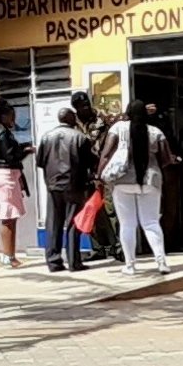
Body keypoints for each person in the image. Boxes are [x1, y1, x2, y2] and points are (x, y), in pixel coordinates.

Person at [97, 99, 173, 278]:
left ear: (128, 113)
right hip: (150, 181)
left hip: (123, 181)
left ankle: (130, 265)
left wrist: (98, 175)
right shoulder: (156, 132)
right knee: (151, 223)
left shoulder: (118, 128)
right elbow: (166, 158)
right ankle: (161, 262)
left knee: (127, 224)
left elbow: (106, 154)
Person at [36, 106, 92, 273]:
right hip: (74, 184)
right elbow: (88, 162)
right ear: (70, 119)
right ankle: (74, 261)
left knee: (53, 222)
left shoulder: (46, 137)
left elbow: (40, 162)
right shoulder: (80, 138)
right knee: (73, 222)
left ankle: (53, 261)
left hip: (53, 185)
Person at [71, 90, 121, 262]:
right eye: (81, 106)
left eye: (87, 104)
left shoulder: (102, 119)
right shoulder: (72, 123)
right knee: (91, 209)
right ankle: (98, 248)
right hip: (84, 172)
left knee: (110, 209)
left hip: (104, 169)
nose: (86, 108)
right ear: (76, 108)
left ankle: (118, 247)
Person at [0, 98, 34, 268]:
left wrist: (24, 147)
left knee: (10, 217)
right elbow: (11, 156)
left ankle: (9, 254)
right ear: (3, 116)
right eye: (11, 116)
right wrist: (27, 150)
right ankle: (8, 255)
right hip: (7, 174)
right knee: (8, 217)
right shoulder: (2, 133)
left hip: (4, 174)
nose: (13, 120)